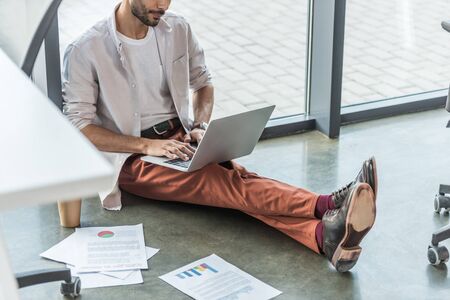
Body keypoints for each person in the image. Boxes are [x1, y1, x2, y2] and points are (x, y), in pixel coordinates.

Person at [62, 0, 378, 272]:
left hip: (180, 138)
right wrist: (148, 145)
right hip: (132, 157)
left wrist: (199, 127)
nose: (163, 5)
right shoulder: (86, 49)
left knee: (234, 182)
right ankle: (326, 204)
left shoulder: (177, 29)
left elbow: (203, 83)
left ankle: (325, 239)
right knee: (224, 182)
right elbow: (79, 127)